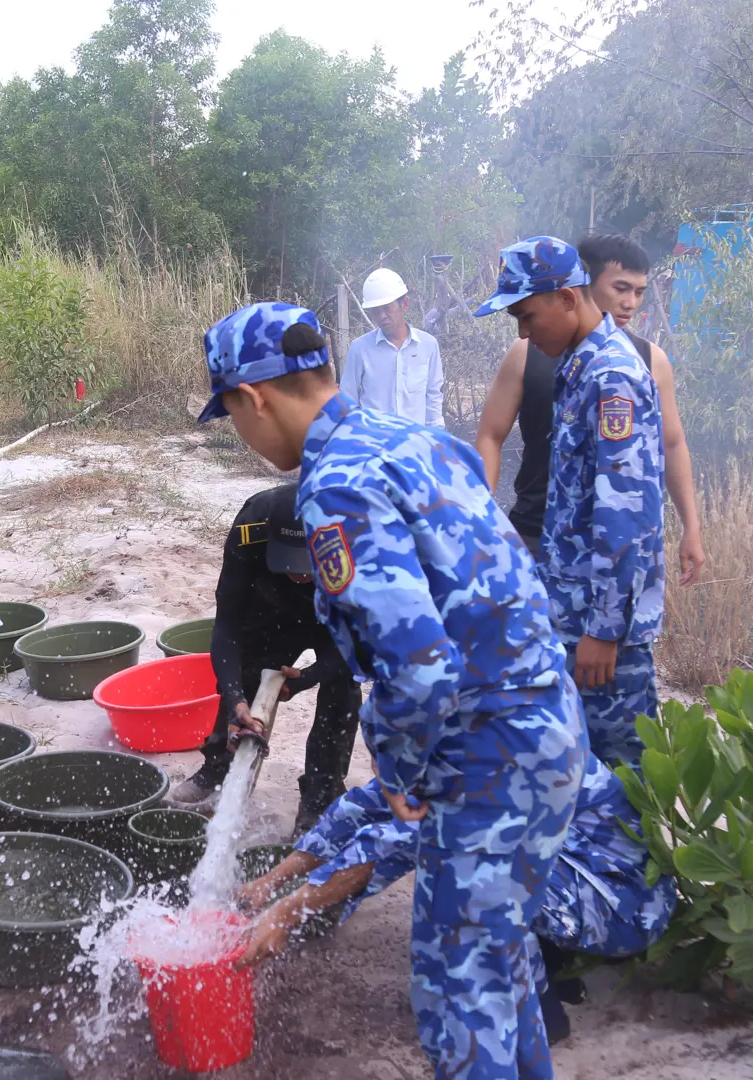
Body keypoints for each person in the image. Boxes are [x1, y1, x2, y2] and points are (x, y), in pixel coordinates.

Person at [200, 301, 585, 1079]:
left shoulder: (335, 485)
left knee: (459, 1005)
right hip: (546, 723)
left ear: (256, 397)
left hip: (483, 753)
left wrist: (404, 773)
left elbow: (418, 663)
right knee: (504, 975)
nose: (241, 432)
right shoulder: (414, 439)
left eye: (232, 415)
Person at [236, 752, 677, 1047]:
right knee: (475, 855)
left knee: (467, 868)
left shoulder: (487, 751)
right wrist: (271, 882)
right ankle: (551, 964)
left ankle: (537, 1018)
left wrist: (286, 913)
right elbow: (359, 808)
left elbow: (399, 839)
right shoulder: (443, 742)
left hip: (622, 903)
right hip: (570, 868)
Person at [473, 237, 665, 767]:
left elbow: (627, 512)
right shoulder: (578, 366)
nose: (523, 332)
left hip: (601, 632)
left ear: (566, 298)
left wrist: (604, 631)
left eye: (527, 315)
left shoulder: (612, 376)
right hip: (572, 613)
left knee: (621, 779)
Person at [474, 234, 705, 582]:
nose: (630, 303)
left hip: (595, 560)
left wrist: (691, 525)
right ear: (585, 284)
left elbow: (662, 458)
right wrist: (483, 515)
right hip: (538, 533)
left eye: (639, 292)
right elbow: (490, 435)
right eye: (620, 288)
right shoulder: (538, 354)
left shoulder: (631, 368)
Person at [168, 484, 362, 833]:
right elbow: (227, 627)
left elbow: (361, 646)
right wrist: (234, 699)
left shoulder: (359, 539)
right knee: (244, 672)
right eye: (289, 561)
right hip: (273, 605)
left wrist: (309, 677)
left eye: (305, 564)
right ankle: (219, 767)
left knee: (342, 690)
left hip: (338, 616)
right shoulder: (251, 528)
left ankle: (320, 795)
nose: (299, 573)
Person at [340, 268, 445, 426]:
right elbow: (348, 400)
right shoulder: (360, 349)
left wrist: (437, 440)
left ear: (405, 304)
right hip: (375, 444)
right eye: (376, 311)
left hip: (415, 443)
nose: (382, 316)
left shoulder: (428, 346)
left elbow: (433, 397)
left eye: (387, 308)